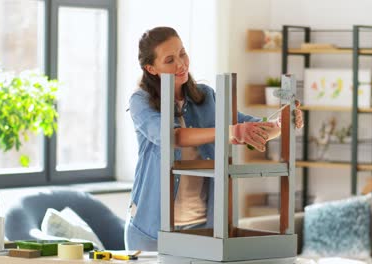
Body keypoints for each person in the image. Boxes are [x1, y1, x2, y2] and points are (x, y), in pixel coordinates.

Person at [125, 26, 303, 251]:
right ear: (151, 68)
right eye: (169, 60)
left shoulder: (206, 96)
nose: (180, 64)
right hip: (151, 230)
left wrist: (282, 124)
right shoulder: (140, 101)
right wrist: (230, 132)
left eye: (182, 53)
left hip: (203, 228)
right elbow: (172, 137)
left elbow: (248, 127)